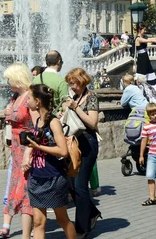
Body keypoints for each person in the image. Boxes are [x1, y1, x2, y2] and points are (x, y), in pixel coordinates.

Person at [23, 84, 77, 239]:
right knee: (38, 223)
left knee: (62, 219)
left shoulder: (53, 122)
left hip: (53, 177)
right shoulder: (38, 120)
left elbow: (63, 151)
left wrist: (38, 146)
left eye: (30, 98)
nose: (27, 101)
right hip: (37, 176)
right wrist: (30, 152)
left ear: (38, 101)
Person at [0, 63, 36, 239]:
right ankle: (7, 225)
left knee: (26, 189)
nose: (7, 82)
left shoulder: (29, 98)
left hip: (27, 148)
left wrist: (30, 150)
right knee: (14, 186)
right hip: (17, 149)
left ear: (18, 79)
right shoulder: (15, 97)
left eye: (9, 79)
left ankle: (31, 229)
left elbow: (36, 126)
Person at [62, 68, 101, 237]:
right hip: (74, 144)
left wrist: (76, 107)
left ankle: (81, 229)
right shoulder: (74, 97)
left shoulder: (91, 96)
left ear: (82, 81)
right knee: (71, 185)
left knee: (80, 186)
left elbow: (92, 123)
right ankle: (91, 213)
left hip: (87, 143)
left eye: (74, 83)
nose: (72, 87)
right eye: (70, 84)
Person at [33, 51, 69, 115]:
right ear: (59, 62)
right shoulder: (61, 81)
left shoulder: (36, 79)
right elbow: (66, 104)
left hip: (40, 117)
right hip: (55, 118)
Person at [135, 24, 156, 88]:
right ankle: (141, 85)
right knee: (142, 71)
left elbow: (153, 38)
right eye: (144, 30)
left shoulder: (142, 37)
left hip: (145, 56)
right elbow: (149, 40)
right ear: (139, 30)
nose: (145, 31)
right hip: (142, 57)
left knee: (148, 70)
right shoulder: (138, 39)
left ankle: (150, 85)